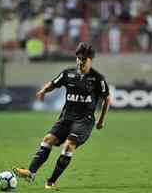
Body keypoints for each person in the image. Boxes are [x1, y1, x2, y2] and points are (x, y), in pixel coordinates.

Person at [12, 42, 111, 189]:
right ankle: (31, 173)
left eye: (84, 59)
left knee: (68, 146)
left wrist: (101, 120)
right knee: (47, 140)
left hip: (84, 121)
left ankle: (51, 181)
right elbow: (53, 83)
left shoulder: (98, 79)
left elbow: (107, 99)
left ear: (90, 60)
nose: (80, 61)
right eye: (78, 58)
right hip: (66, 118)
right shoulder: (68, 74)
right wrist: (43, 91)